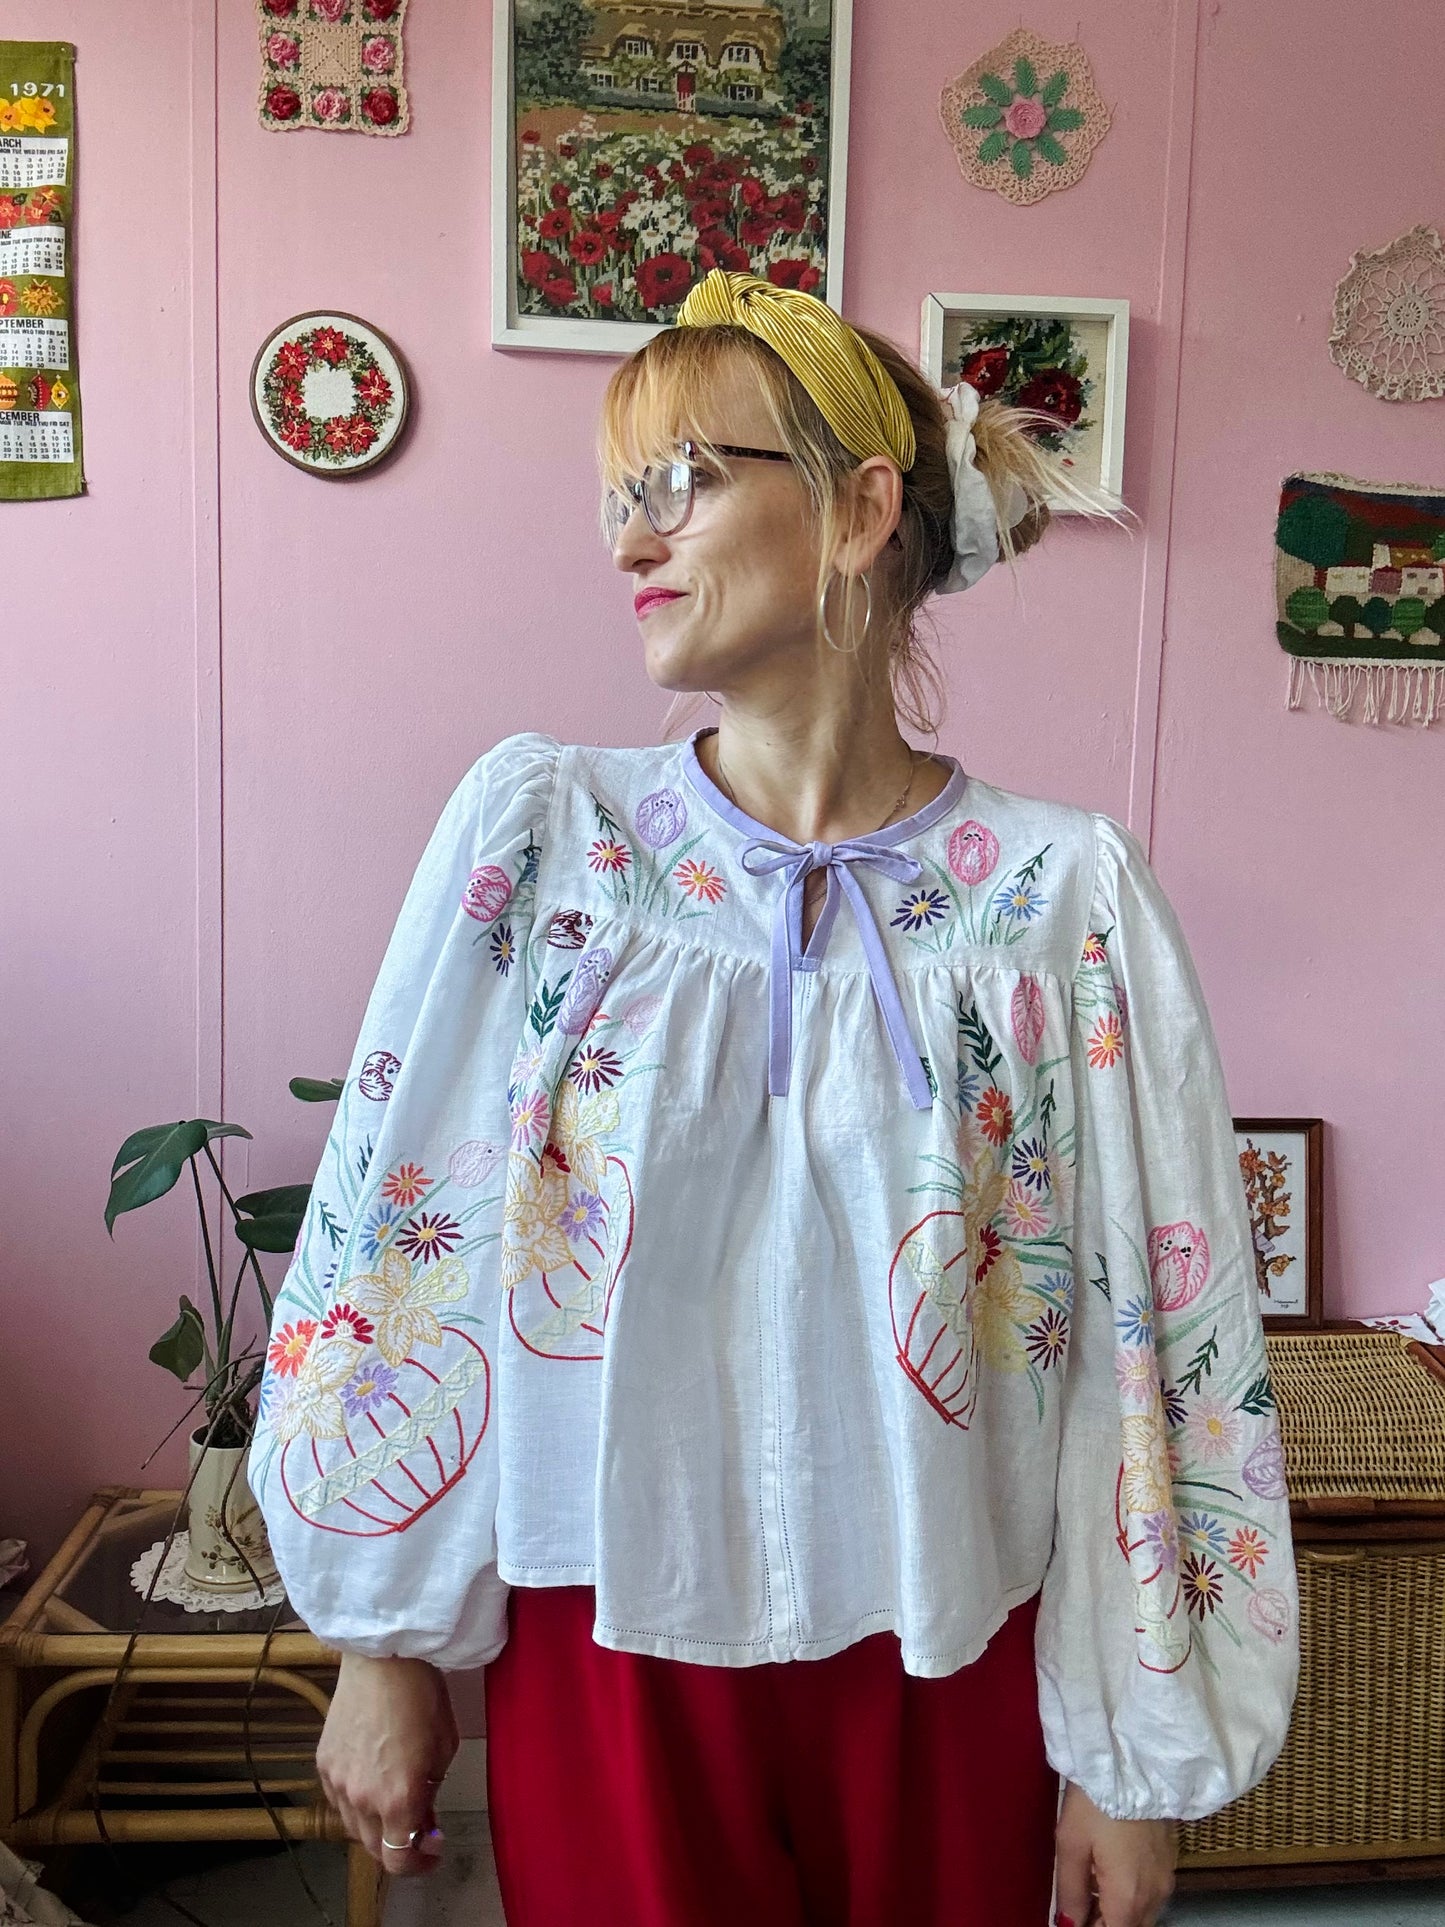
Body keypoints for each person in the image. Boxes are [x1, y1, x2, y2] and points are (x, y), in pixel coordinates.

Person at [248, 270, 1299, 1927]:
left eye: (676, 482)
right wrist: (385, 1647)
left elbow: (1151, 1334)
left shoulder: (1059, 898)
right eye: (618, 496)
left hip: (950, 1638)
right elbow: (404, 1240)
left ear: (860, 509)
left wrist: (1123, 1751)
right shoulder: (548, 846)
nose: (626, 543)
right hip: (604, 1633)